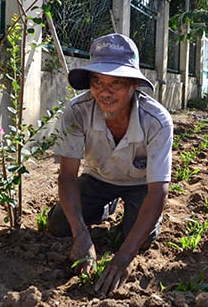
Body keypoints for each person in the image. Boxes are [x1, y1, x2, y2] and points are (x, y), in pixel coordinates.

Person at [47, 33, 173, 295]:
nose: (104, 92)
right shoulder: (77, 111)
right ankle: (106, 205)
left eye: (116, 82)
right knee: (59, 224)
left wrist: (124, 258)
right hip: (98, 178)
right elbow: (68, 175)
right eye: (97, 81)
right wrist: (81, 235)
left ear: (134, 85)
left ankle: (120, 211)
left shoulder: (157, 121)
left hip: (141, 184)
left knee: (141, 238)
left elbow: (158, 190)